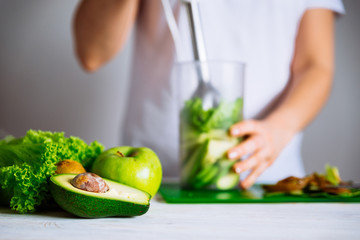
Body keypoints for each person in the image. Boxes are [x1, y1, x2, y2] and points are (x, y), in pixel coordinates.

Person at [73, 0, 345, 189]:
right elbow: (92, 54)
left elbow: (316, 66)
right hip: (153, 187)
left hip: (269, 182)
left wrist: (279, 128)